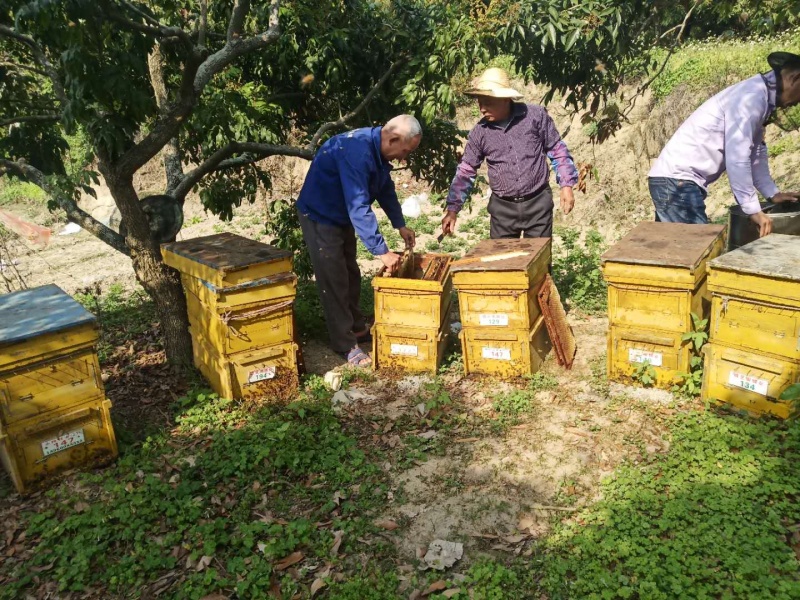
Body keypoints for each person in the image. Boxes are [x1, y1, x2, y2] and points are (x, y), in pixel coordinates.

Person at [297, 115, 421, 367]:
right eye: (405, 151)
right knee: (333, 277)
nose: (403, 158)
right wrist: (382, 251)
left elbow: (384, 188)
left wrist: (400, 224)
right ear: (393, 138)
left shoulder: (377, 151)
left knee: (350, 272)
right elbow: (358, 206)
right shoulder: (357, 153)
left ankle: (355, 326)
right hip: (321, 216)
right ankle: (344, 343)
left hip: (341, 215)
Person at [649, 51, 800, 236]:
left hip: (678, 182)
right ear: (795, 78)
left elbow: (755, 156)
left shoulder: (760, 98)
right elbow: (738, 157)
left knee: (675, 254)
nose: (796, 103)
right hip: (677, 182)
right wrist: (752, 209)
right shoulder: (751, 98)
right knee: (696, 250)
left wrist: (772, 193)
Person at [441, 67, 578, 239]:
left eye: (488, 102)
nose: (482, 108)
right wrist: (452, 209)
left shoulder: (534, 116)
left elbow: (556, 149)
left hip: (538, 205)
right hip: (502, 210)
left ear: (505, 99)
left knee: (538, 262)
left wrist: (566, 185)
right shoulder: (479, 132)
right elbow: (466, 170)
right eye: (479, 102)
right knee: (503, 263)